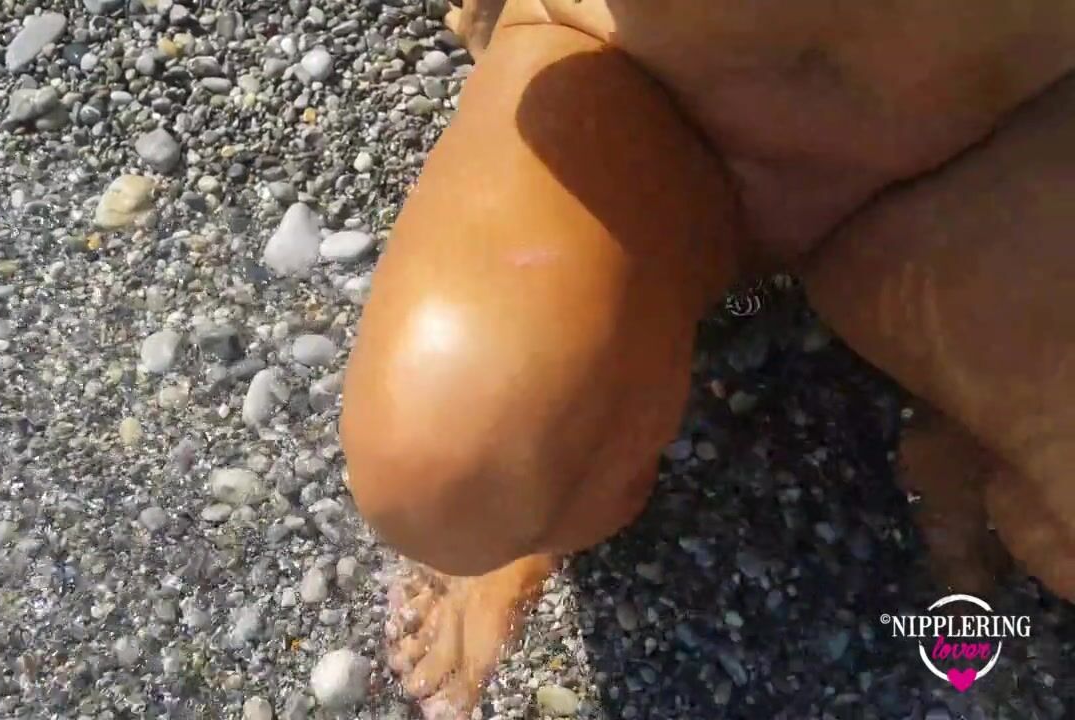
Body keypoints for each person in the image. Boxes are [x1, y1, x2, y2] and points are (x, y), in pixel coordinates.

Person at [339, 0, 1075, 715]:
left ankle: (961, 416)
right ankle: (550, 507)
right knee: (453, 464)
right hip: (650, 96)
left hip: (993, 144)